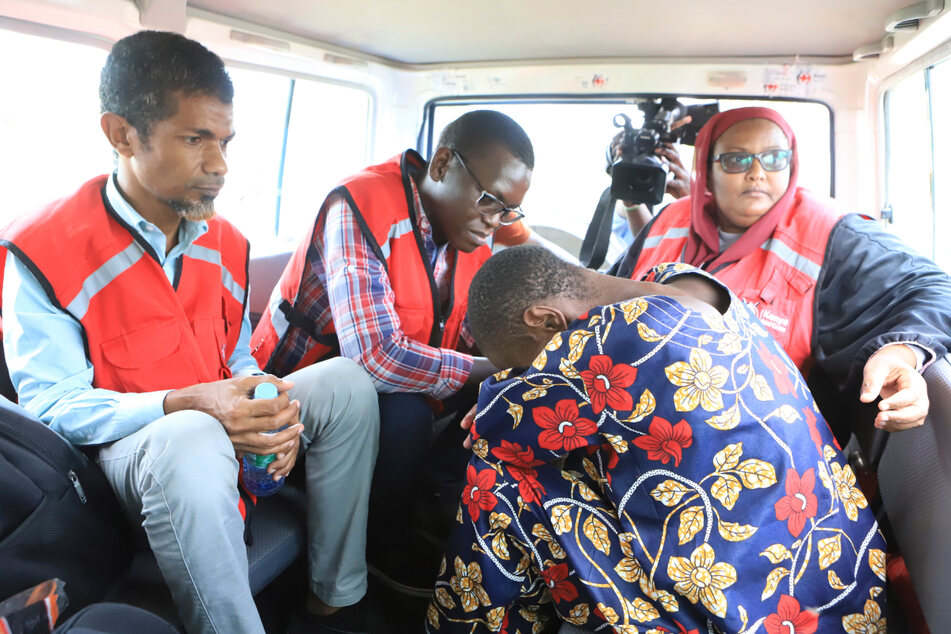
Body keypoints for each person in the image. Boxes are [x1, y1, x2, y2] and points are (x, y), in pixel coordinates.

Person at [0, 31, 379, 634]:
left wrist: (265, 408)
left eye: (225, 141)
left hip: (214, 423)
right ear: (122, 135)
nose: (220, 165)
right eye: (195, 139)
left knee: (347, 382)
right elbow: (51, 409)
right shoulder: (43, 249)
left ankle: (334, 602)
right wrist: (188, 404)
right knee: (193, 438)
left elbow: (234, 358)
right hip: (124, 461)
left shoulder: (225, 241)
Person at [427, 245, 886, 633]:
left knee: (499, 475)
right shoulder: (686, 283)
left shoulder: (606, 344)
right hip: (852, 593)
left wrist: (514, 393)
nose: (534, 373)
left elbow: (490, 427)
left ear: (548, 321)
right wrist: (529, 386)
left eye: (527, 363)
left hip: (752, 617)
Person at [250, 110, 534, 593]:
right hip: (293, 409)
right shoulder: (359, 206)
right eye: (490, 202)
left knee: (503, 388)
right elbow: (374, 358)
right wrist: (487, 365)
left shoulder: (469, 234)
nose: (494, 223)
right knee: (406, 414)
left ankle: (428, 505)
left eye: (507, 211)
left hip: (386, 397)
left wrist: (515, 362)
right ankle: (380, 545)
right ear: (443, 165)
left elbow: (465, 335)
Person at [611, 106, 951, 441]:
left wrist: (901, 353)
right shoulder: (669, 219)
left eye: (774, 159)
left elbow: (936, 288)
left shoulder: (833, 232)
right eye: (736, 160)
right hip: (631, 422)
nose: (757, 173)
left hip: (760, 443)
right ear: (706, 168)